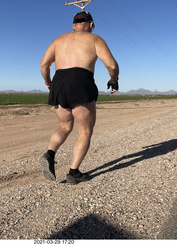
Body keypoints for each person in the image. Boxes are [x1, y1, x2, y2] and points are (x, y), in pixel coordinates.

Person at [39, 11, 119, 185]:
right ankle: (73, 173)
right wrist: (114, 80)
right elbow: (111, 65)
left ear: (74, 26)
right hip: (81, 80)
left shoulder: (58, 39)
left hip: (59, 82)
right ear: (91, 25)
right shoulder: (95, 39)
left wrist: (49, 84)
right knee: (85, 131)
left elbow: (44, 64)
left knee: (65, 126)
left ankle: (50, 154)